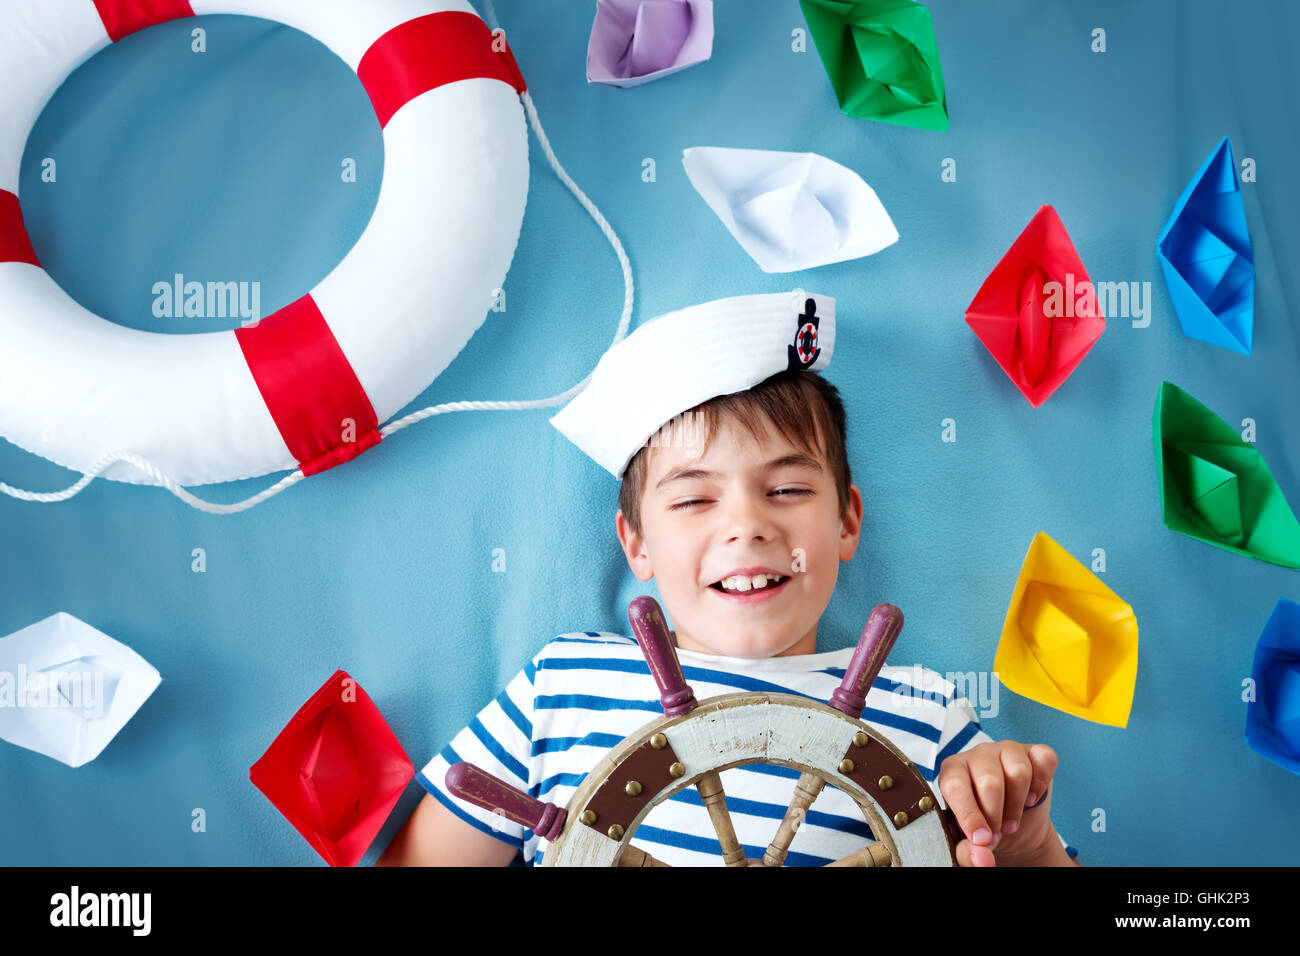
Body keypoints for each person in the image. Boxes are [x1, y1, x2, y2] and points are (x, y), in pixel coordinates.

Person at [378, 291, 1080, 867]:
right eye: (693, 499)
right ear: (637, 543)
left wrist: (1029, 844)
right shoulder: (561, 689)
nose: (747, 527)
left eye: (785, 491)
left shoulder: (926, 715)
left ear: (846, 523)